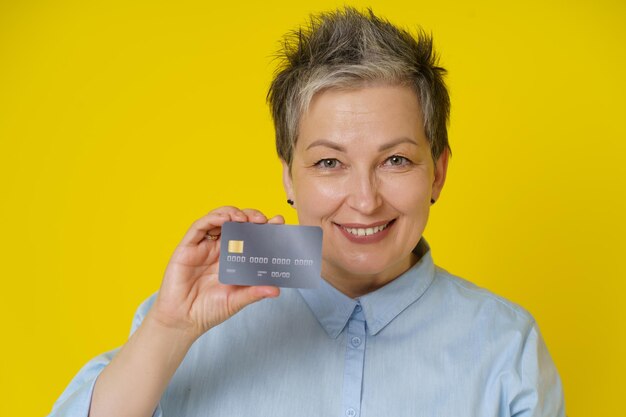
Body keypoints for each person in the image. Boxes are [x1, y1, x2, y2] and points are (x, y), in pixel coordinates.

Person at [49, 6, 565, 417]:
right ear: (288, 176)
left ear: (438, 173)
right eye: (329, 162)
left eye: (396, 159)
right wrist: (168, 330)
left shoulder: (506, 346)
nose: (365, 200)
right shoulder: (181, 324)